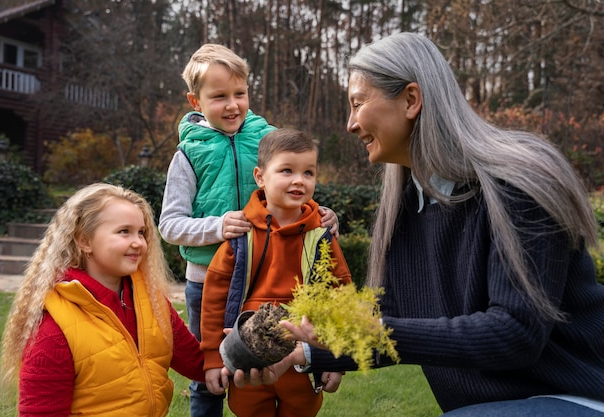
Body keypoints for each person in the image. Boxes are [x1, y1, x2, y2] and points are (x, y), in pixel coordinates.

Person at [230, 32, 604, 417]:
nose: (350, 124)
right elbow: (393, 327)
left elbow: (515, 334)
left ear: (411, 99)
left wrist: (379, 330)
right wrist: (300, 353)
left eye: (358, 103)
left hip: (574, 398)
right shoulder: (408, 211)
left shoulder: (516, 184)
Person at [158, 43, 339, 417]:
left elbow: (292, 185)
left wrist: (321, 213)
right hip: (206, 279)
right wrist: (218, 226)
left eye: (239, 94)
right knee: (210, 374)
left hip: (262, 278)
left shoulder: (266, 138)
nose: (232, 105)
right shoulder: (189, 153)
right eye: (219, 96)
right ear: (195, 100)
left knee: (263, 368)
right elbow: (169, 225)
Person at [0, 183, 205, 416]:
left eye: (142, 232)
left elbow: (197, 363)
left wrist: (241, 349)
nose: (138, 242)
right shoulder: (54, 326)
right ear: (84, 241)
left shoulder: (150, 300)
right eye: (124, 231)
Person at [199, 128, 351, 417]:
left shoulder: (321, 236)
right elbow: (214, 297)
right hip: (248, 349)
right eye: (286, 170)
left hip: (301, 357)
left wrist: (335, 358)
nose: (299, 180)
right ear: (260, 176)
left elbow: (340, 297)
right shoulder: (241, 234)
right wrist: (211, 358)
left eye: (309, 173)